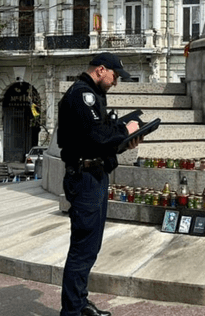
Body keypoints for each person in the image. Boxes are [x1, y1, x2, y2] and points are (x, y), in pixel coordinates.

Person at [58, 52, 142, 316]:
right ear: (101, 70)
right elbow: (95, 137)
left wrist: (126, 137)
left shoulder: (92, 95)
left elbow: (97, 136)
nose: (115, 82)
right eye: (115, 76)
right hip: (85, 178)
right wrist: (123, 132)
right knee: (83, 248)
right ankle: (72, 311)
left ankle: (79, 303)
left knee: (90, 246)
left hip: (94, 174)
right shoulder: (83, 95)